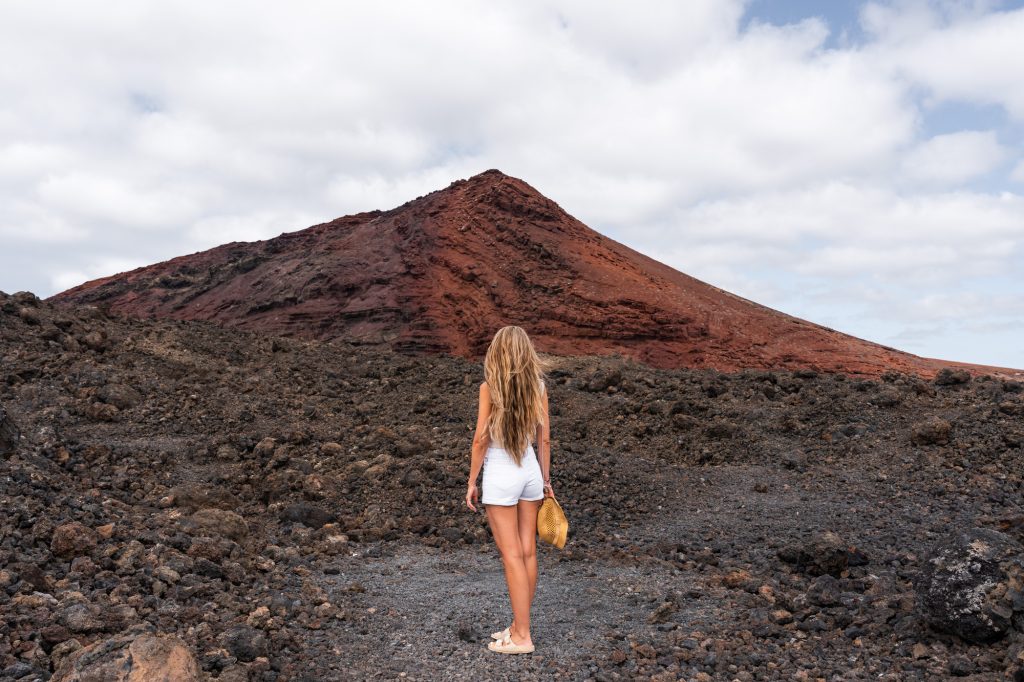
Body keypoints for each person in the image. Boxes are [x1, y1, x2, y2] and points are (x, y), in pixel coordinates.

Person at [465, 325, 554, 655]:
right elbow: (543, 439)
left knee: (512, 555)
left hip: (502, 471)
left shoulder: (490, 387)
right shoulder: (538, 386)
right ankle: (519, 626)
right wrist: (545, 480)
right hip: (530, 469)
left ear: (498, 352)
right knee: (528, 552)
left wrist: (472, 481)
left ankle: (523, 637)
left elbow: (481, 439)